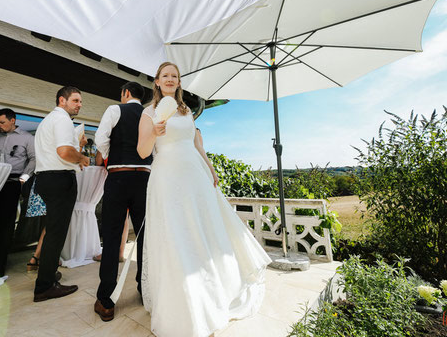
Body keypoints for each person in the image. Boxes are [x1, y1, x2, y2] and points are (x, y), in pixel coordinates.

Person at [136, 62, 271, 337]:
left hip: (194, 175)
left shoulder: (186, 111)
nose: (171, 79)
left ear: (179, 81)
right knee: (175, 234)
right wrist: (154, 132)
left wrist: (209, 168)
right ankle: (182, 303)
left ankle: (212, 289)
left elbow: (197, 145)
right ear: (157, 81)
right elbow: (142, 152)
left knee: (202, 230)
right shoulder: (148, 112)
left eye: (174, 76)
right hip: (167, 176)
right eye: (166, 76)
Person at [93, 81, 152, 321]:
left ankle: (106, 301)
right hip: (145, 180)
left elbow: (100, 138)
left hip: (118, 176)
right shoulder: (151, 115)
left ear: (126, 94)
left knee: (112, 234)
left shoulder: (114, 109)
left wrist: (111, 156)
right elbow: (155, 148)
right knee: (145, 236)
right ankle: (143, 289)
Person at [32, 86, 89, 302]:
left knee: (53, 230)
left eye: (80, 101)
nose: (79, 104)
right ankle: (45, 286)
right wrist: (82, 158)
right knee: (56, 233)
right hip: (59, 179)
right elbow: (64, 152)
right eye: (75, 100)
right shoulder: (63, 119)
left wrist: (78, 144)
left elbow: (60, 149)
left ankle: (47, 273)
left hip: (46, 178)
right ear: (62, 100)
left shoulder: (49, 120)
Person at [0, 108, 35, 276]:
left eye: (2, 122)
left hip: (12, 183)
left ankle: (0, 265)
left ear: (12, 120)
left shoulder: (27, 138)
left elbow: (34, 158)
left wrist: (25, 177)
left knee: (6, 225)